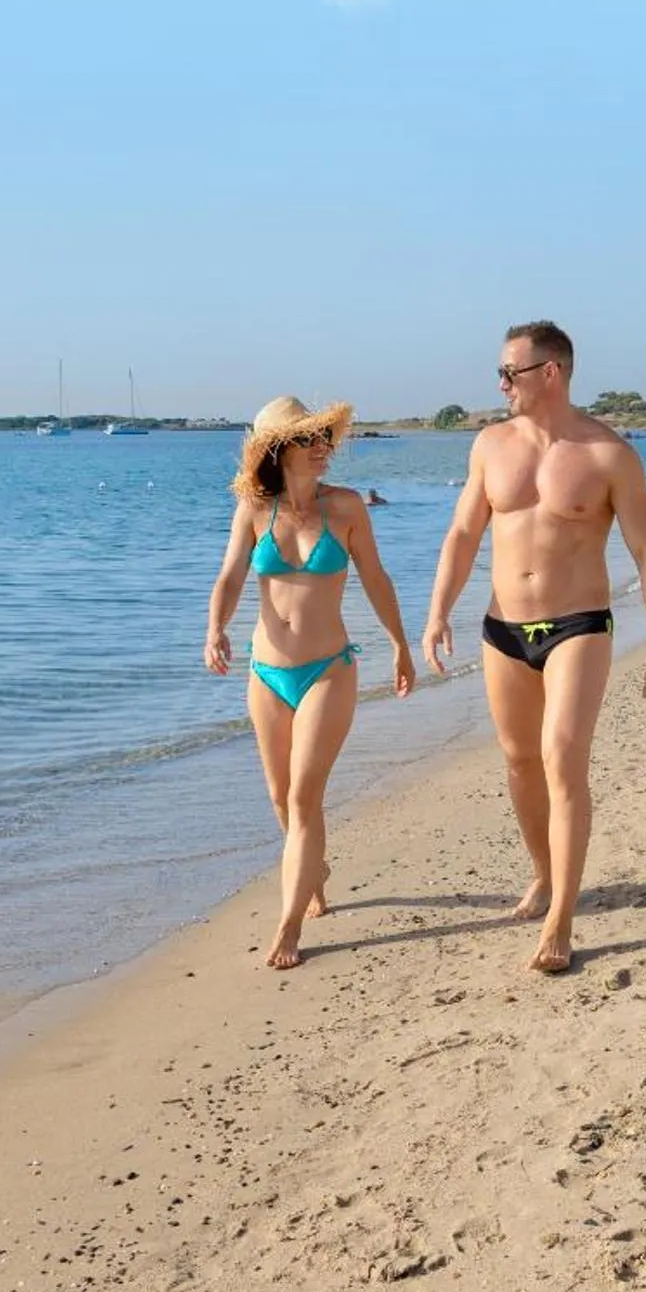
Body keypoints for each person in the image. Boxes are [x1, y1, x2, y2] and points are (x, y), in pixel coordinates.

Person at [424, 322, 646, 973]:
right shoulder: (489, 446)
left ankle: (562, 916)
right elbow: (462, 533)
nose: (501, 383)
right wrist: (437, 611)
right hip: (503, 628)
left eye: (511, 372)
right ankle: (542, 872)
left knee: (562, 757)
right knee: (519, 760)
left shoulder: (608, 453)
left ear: (552, 372)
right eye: (501, 372)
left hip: (578, 625)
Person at [205, 396, 414, 970]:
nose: (324, 447)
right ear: (279, 449)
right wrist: (215, 629)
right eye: (310, 439)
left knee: (303, 796)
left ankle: (289, 924)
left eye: (325, 437)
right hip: (266, 672)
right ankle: (313, 870)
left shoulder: (346, 507)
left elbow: (375, 577)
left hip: (328, 669)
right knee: (281, 797)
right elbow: (230, 574)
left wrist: (400, 644)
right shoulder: (254, 509)